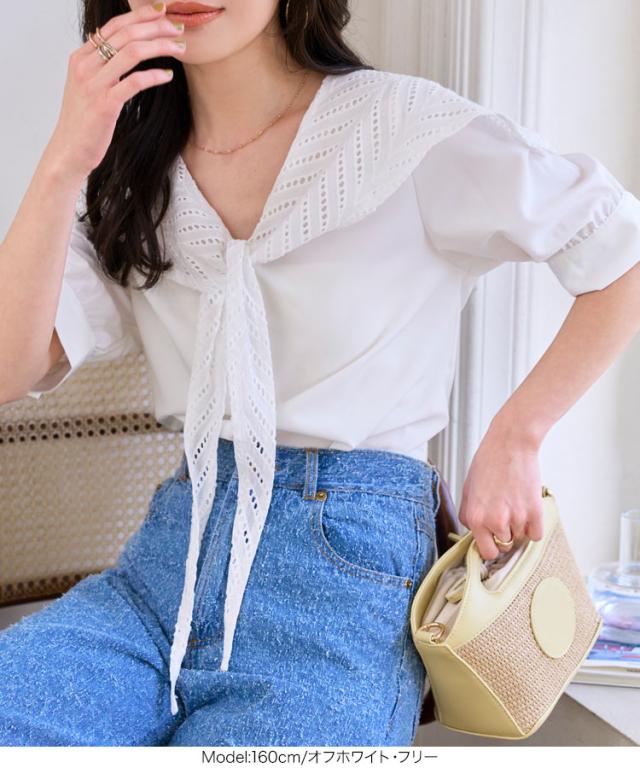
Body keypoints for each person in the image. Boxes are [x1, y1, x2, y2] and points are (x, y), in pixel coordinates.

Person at [2, 0, 640, 748]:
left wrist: (518, 435)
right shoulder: (135, 172)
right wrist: (63, 161)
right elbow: (12, 367)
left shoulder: (402, 129)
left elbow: (620, 253)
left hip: (343, 589)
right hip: (163, 576)